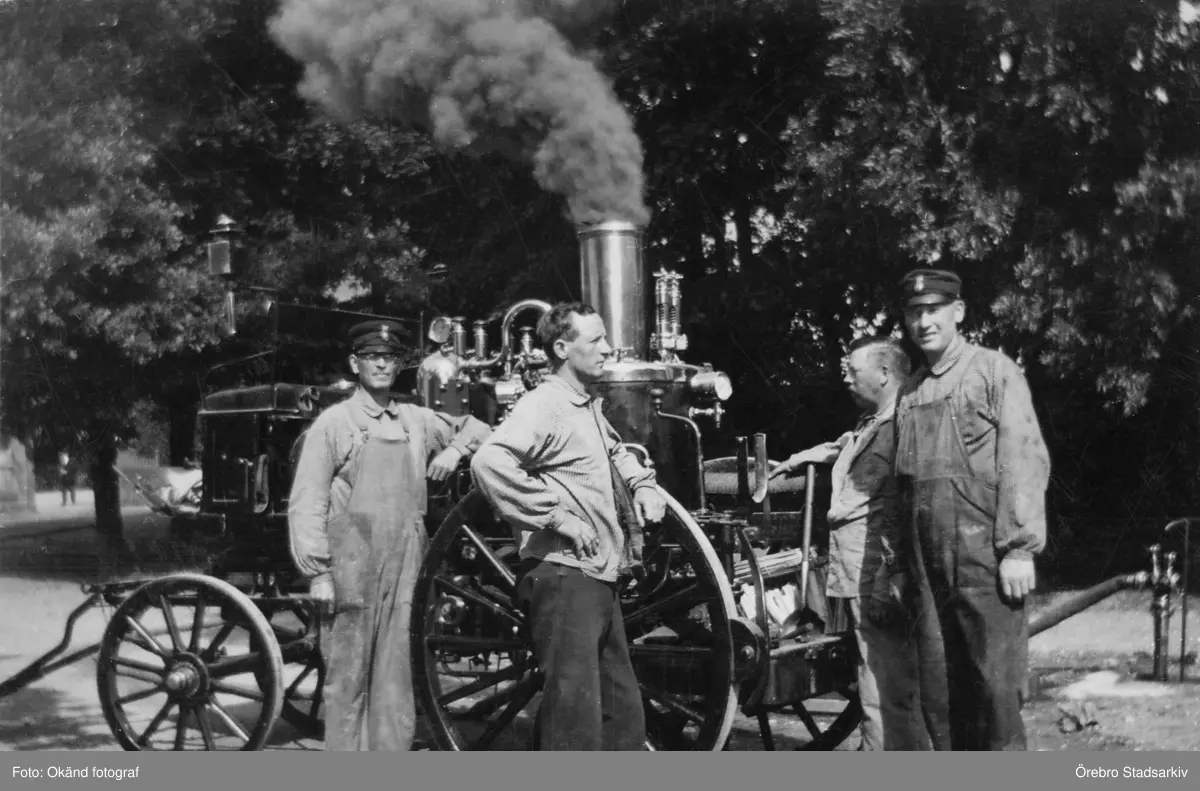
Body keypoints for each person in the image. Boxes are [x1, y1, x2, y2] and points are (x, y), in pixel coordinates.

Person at [469, 301, 667, 751]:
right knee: (573, 721)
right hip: (563, 576)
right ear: (561, 348)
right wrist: (557, 518)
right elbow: (489, 461)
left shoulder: (583, 406)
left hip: (597, 576)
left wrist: (643, 485)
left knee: (621, 716)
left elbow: (615, 451)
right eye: (595, 340)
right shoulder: (545, 406)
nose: (608, 349)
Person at [287, 319, 492, 751]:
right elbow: (307, 502)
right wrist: (318, 574)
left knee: (398, 674)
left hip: (406, 561)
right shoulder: (335, 423)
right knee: (348, 675)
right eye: (372, 357)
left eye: (389, 358)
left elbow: (478, 429)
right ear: (355, 363)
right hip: (352, 564)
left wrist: (454, 450)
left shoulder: (416, 419)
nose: (381, 365)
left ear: (399, 366)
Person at [892, 268, 1051, 752]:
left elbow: (1023, 456)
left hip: (984, 560)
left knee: (995, 692)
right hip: (926, 568)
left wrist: (1019, 548)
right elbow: (903, 487)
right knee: (940, 693)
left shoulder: (993, 371)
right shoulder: (910, 391)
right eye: (915, 313)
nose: (924, 322)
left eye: (934, 310)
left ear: (958, 312)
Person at [770, 337, 929, 751]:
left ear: (884, 374)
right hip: (862, 570)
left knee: (882, 681)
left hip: (877, 574)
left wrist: (890, 576)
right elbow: (844, 447)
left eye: (853, 371)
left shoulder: (902, 427)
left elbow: (905, 509)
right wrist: (796, 460)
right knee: (880, 676)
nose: (846, 379)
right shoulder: (873, 423)